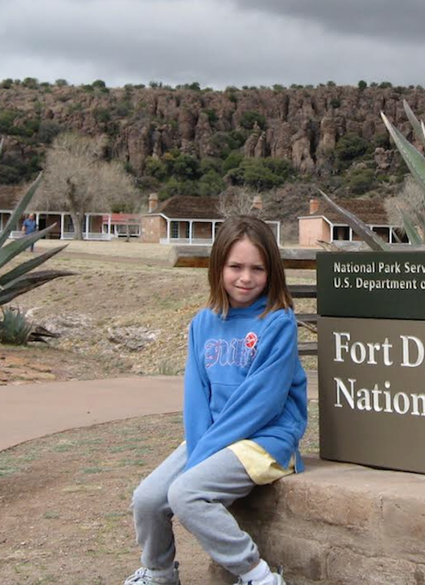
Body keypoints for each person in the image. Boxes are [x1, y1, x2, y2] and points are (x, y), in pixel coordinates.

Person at [124, 215, 307, 585]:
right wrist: (199, 447)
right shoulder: (203, 323)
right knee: (147, 498)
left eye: (258, 268)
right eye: (235, 266)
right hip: (212, 438)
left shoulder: (278, 322)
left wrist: (202, 458)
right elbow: (197, 396)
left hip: (265, 438)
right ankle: (160, 573)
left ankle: (259, 576)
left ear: (272, 271)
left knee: (186, 494)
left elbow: (263, 402)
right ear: (218, 267)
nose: (246, 278)